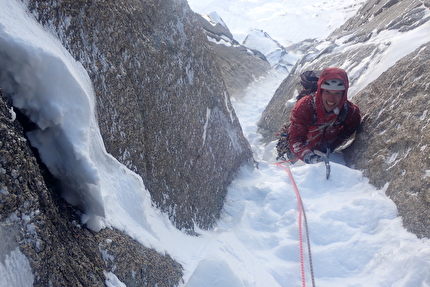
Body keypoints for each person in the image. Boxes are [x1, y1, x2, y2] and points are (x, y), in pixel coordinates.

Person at [278, 67, 361, 164]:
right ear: (320, 91)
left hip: (321, 151)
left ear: (344, 94)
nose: (331, 99)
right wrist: (307, 155)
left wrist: (331, 146)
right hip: (298, 153)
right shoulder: (305, 106)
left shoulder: (350, 112)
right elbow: (296, 138)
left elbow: (350, 129)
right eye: (327, 91)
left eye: (337, 93)